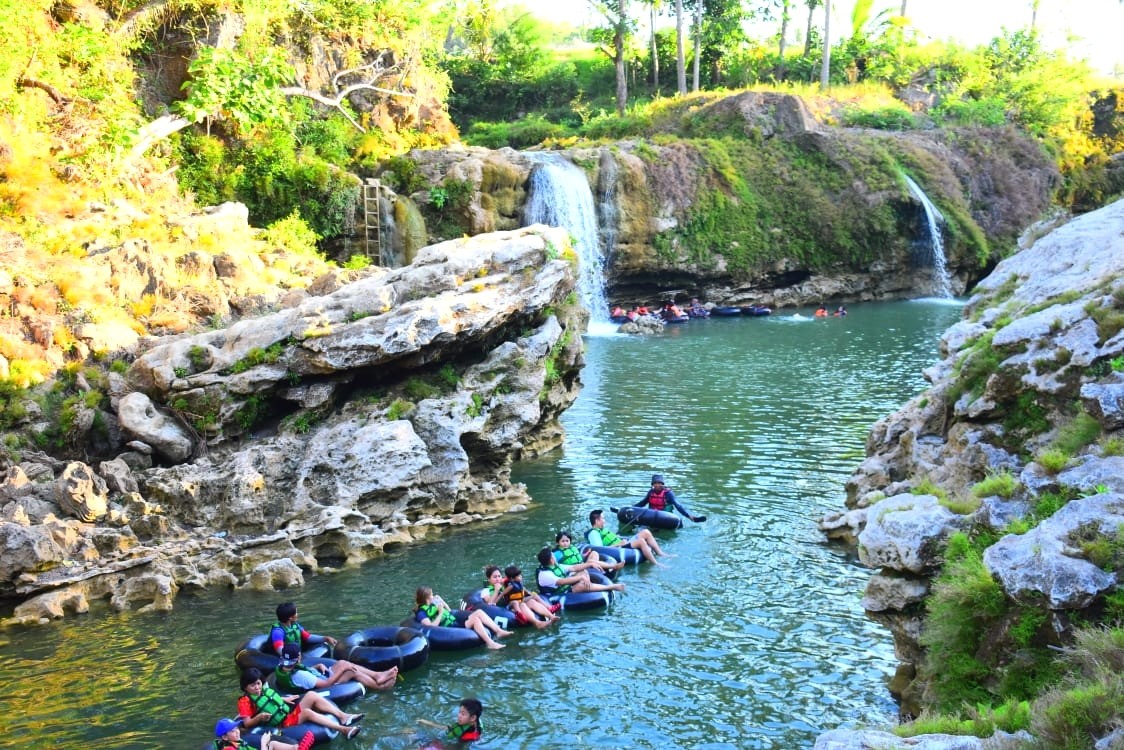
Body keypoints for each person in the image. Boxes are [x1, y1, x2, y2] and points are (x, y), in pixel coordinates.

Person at [237, 667, 362, 739]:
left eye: (258, 683)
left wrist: (283, 699)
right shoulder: (245, 702)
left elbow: (270, 699)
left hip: (287, 715)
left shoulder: (263, 690)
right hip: (282, 725)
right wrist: (259, 717)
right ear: (245, 687)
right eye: (252, 685)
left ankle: (343, 716)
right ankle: (344, 729)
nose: (257, 687)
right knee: (307, 712)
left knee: (311, 695)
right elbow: (247, 724)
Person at [274, 641, 397, 693]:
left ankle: (377, 675)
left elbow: (305, 673)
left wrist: (318, 666)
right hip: (324, 686)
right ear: (299, 657)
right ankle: (379, 687)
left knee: (343, 662)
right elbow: (326, 685)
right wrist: (342, 671)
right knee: (350, 671)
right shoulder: (301, 675)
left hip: (318, 677)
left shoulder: (283, 668)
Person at [414, 586, 513, 650]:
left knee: (478, 612)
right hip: (447, 629)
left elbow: (449, 611)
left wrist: (442, 602)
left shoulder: (433, 604)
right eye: (431, 595)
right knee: (476, 619)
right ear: (426, 598)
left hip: (454, 622)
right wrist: (440, 613)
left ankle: (498, 631)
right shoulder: (421, 612)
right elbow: (430, 627)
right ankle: (490, 643)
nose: (433, 596)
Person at [587, 508, 673, 567]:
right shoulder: (594, 533)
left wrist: (619, 539)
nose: (604, 520)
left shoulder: (602, 530)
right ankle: (656, 563)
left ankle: (661, 553)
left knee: (646, 532)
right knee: (641, 541)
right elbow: (599, 549)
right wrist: (618, 544)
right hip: (618, 549)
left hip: (622, 544)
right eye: (603, 518)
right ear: (597, 521)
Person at [481, 565, 557, 629]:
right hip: (505, 608)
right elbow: (489, 603)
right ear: (489, 579)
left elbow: (515, 583)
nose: (497, 579)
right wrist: (496, 590)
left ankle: (551, 616)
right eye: (494, 577)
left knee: (531, 601)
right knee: (519, 603)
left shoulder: (505, 584)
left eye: (499, 576)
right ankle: (537, 623)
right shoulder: (486, 591)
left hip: (517, 602)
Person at [535, 547, 625, 596]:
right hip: (558, 594)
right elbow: (561, 581)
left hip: (567, 587)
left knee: (583, 571)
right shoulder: (545, 574)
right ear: (551, 559)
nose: (555, 557)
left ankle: (590, 585)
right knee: (581, 584)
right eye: (553, 556)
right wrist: (580, 578)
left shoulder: (555, 566)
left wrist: (589, 564)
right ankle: (611, 587)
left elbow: (573, 568)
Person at [269, 602, 337, 655]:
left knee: (324, 644)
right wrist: (293, 658)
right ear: (290, 618)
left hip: (297, 654)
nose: (297, 614)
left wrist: (325, 638)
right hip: (286, 658)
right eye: (296, 613)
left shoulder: (295, 625)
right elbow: (279, 649)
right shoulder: (277, 632)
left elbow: (307, 637)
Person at [212, 716, 313, 750]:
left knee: (272, 743)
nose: (237, 732)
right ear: (225, 737)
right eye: (232, 731)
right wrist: (264, 743)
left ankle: (295, 748)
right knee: (268, 742)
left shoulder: (238, 742)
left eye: (236, 728)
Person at [417, 698, 485, 746]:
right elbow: (448, 728)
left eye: (463, 714)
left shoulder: (466, 736)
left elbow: (456, 746)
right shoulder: (476, 722)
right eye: (459, 712)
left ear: (473, 718)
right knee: (411, 732)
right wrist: (429, 723)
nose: (459, 716)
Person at [636, 474, 703, 522]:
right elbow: (642, 503)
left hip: (665, 517)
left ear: (662, 484)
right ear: (652, 485)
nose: (657, 485)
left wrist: (688, 516)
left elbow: (678, 506)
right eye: (655, 483)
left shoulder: (668, 493)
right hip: (652, 516)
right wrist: (631, 508)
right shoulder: (651, 492)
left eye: (659, 483)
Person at [553, 530, 623, 575]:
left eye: (567, 541)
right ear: (558, 542)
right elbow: (554, 565)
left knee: (594, 553)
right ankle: (613, 566)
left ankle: (596, 569)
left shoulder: (572, 548)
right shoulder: (558, 553)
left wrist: (585, 555)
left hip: (582, 565)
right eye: (563, 541)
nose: (565, 543)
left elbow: (578, 558)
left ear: (570, 541)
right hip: (575, 571)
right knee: (591, 562)